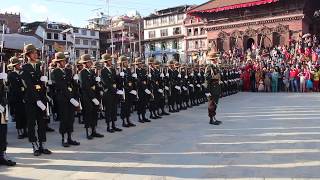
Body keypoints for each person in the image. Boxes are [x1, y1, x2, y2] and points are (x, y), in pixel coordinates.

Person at [20, 44, 52, 156]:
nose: (36, 54)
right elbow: (28, 86)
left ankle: (43, 144)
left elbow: (41, 85)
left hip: (41, 100)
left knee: (42, 123)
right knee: (31, 123)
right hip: (31, 100)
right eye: (33, 53)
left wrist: (45, 83)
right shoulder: (24, 68)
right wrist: (37, 100)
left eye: (36, 52)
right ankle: (34, 145)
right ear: (28, 55)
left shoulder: (40, 67)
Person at [51, 52, 80, 147]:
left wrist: (76, 81)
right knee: (64, 119)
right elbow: (61, 86)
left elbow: (72, 84)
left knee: (71, 118)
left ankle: (70, 137)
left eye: (64, 60)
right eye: (62, 61)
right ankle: (63, 138)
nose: (64, 62)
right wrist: (70, 97)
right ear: (58, 62)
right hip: (62, 98)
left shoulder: (68, 71)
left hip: (71, 98)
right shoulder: (55, 72)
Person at [79, 54, 104, 140]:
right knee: (88, 114)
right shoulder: (82, 73)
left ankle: (94, 130)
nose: (91, 63)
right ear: (85, 63)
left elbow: (94, 85)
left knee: (94, 114)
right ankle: (87, 132)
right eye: (89, 62)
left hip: (94, 96)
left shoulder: (92, 72)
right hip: (87, 97)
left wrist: (99, 87)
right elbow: (85, 87)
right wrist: (93, 97)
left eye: (90, 62)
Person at [100, 53, 123, 133]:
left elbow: (116, 81)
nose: (111, 62)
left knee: (114, 109)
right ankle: (108, 126)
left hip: (114, 93)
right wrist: (115, 90)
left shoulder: (113, 70)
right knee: (108, 110)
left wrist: (120, 76)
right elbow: (106, 83)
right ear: (105, 62)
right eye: (109, 60)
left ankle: (113, 125)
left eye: (110, 60)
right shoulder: (103, 71)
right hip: (108, 93)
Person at [0, 59, 16, 166]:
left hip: (2, 105)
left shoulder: (2, 70)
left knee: (2, 131)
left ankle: (2, 155)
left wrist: (4, 82)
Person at [7, 57, 27, 139]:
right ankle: (19, 131)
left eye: (20, 63)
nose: (20, 65)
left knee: (25, 114)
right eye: (18, 64)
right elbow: (13, 87)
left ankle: (25, 130)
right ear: (14, 66)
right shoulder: (11, 75)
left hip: (25, 96)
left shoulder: (23, 73)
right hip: (16, 98)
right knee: (18, 115)